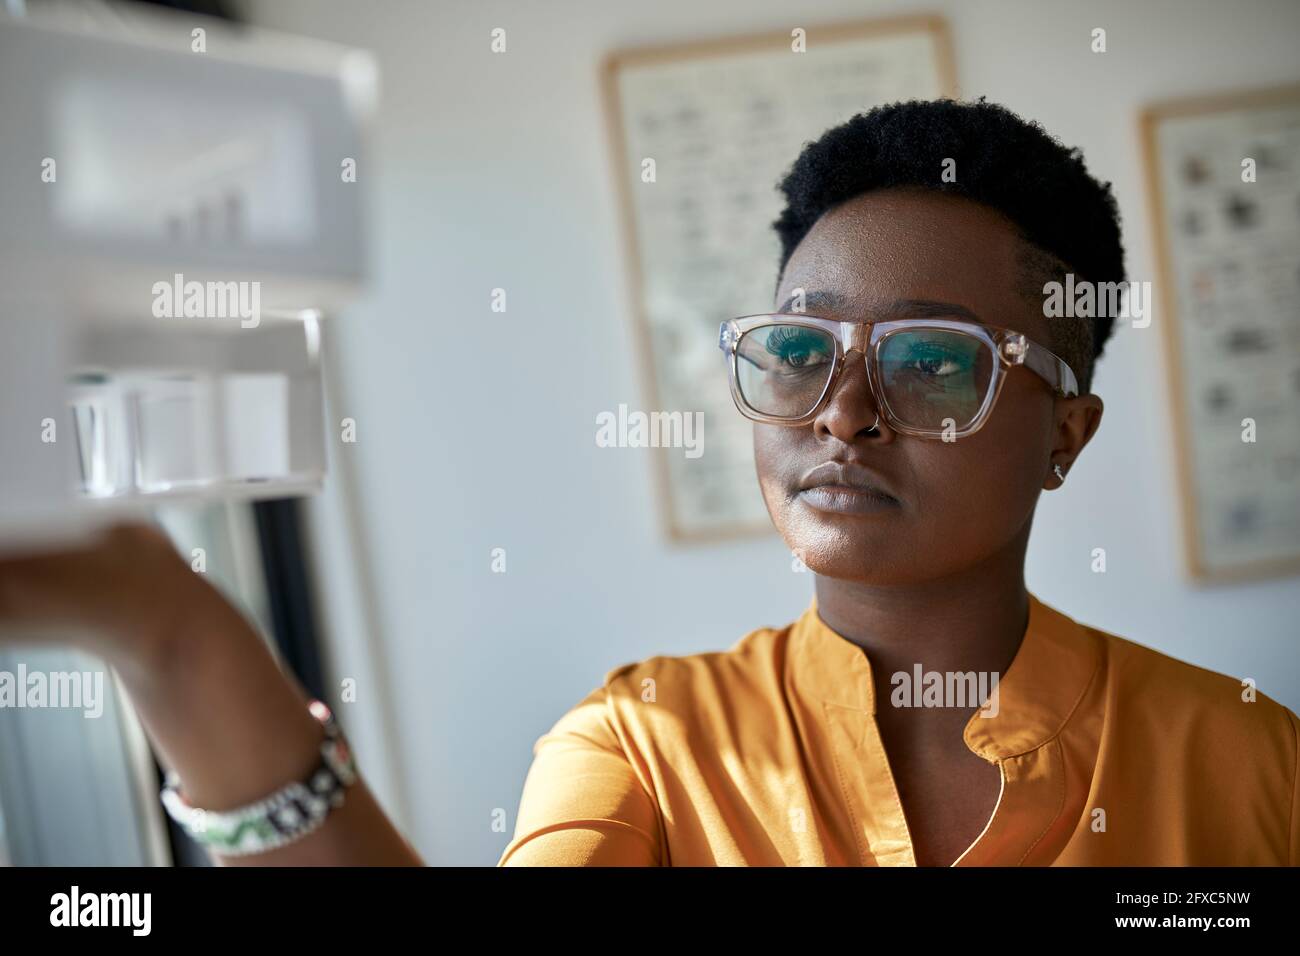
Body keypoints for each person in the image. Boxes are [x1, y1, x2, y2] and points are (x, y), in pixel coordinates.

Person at [1, 99, 1295, 866]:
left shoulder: (1246, 767)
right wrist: (172, 634)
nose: (841, 413)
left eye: (930, 362)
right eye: (798, 350)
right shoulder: (647, 751)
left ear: (1067, 433)